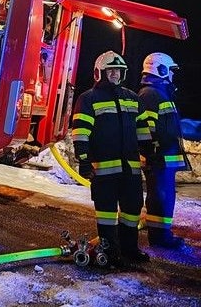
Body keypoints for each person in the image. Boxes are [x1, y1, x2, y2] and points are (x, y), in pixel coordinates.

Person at [71, 51, 150, 267]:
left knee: (132, 211)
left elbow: (143, 128)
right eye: (111, 70)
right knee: (106, 214)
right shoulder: (88, 99)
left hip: (130, 170)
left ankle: (130, 249)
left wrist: (149, 149)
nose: (115, 74)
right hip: (104, 172)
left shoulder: (132, 98)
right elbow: (81, 132)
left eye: (118, 71)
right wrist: (84, 159)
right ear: (100, 73)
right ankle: (111, 252)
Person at [137, 52, 190, 250]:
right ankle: (160, 238)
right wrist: (152, 153)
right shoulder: (151, 95)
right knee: (159, 198)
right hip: (159, 158)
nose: (173, 75)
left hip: (163, 158)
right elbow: (144, 129)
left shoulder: (158, 93)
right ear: (160, 69)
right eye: (171, 71)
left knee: (164, 197)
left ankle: (162, 235)